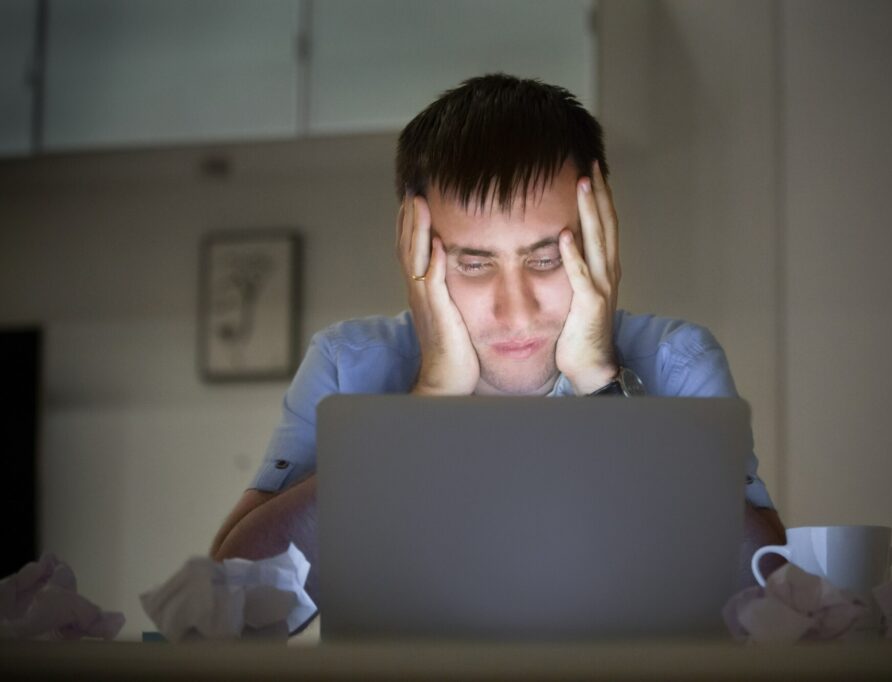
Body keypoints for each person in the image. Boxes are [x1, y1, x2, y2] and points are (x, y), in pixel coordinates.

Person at [210, 74, 785, 615]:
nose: (517, 309)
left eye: (546, 258)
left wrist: (604, 386)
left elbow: (765, 594)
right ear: (417, 254)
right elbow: (229, 602)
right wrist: (426, 404)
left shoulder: (676, 361)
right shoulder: (348, 362)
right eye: (475, 264)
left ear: (601, 241)